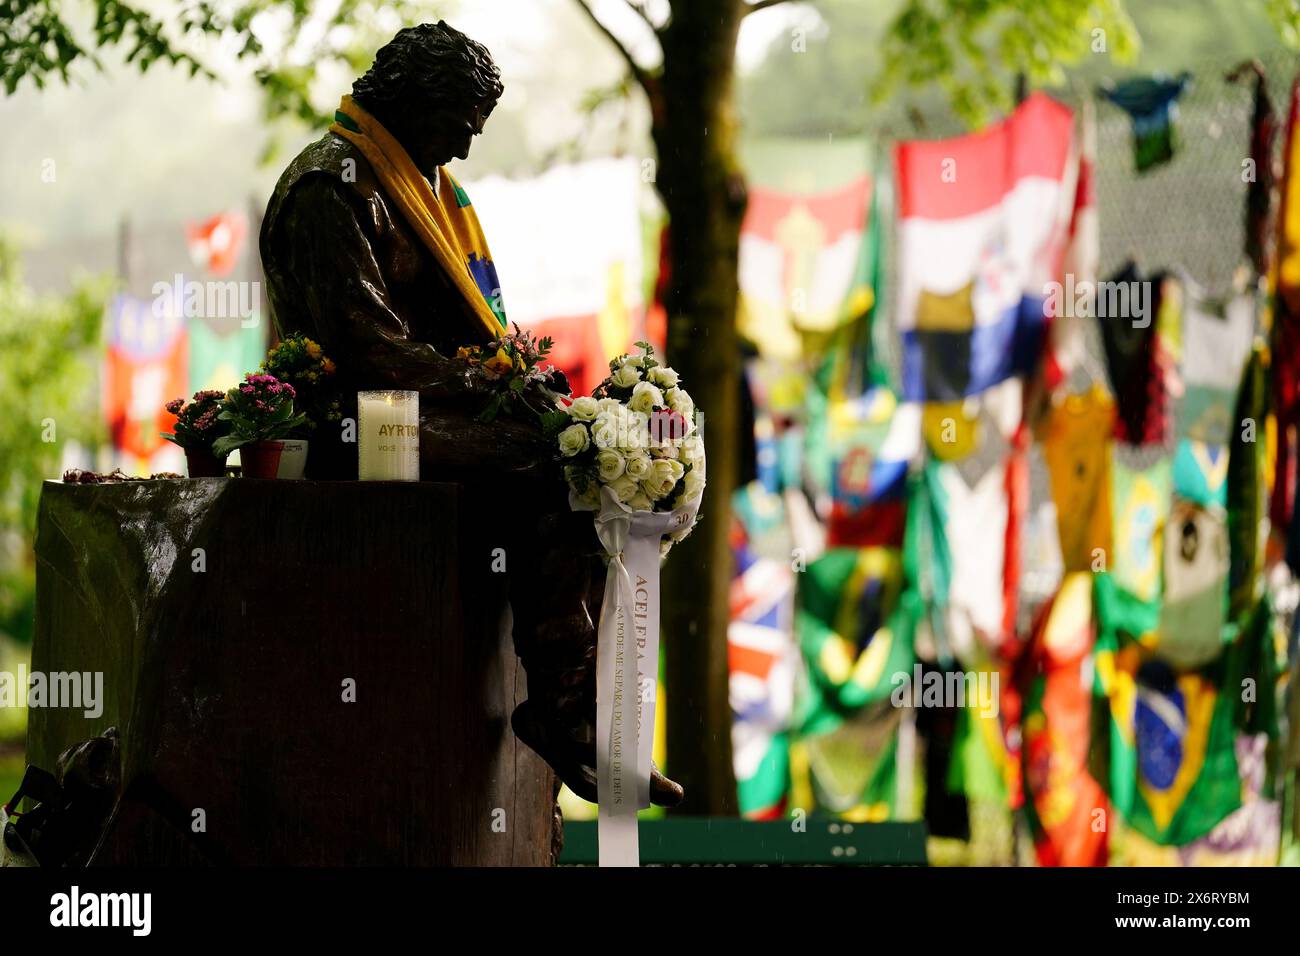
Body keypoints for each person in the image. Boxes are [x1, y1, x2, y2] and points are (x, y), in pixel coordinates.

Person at [259, 21, 682, 809]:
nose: (460, 150)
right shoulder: (334, 186)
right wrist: (488, 377)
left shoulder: (424, 192)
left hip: (409, 407)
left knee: (575, 447)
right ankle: (564, 714)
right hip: (350, 425)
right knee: (539, 458)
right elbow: (369, 352)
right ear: (415, 103)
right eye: (457, 127)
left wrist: (528, 388)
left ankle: (581, 708)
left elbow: (463, 334)